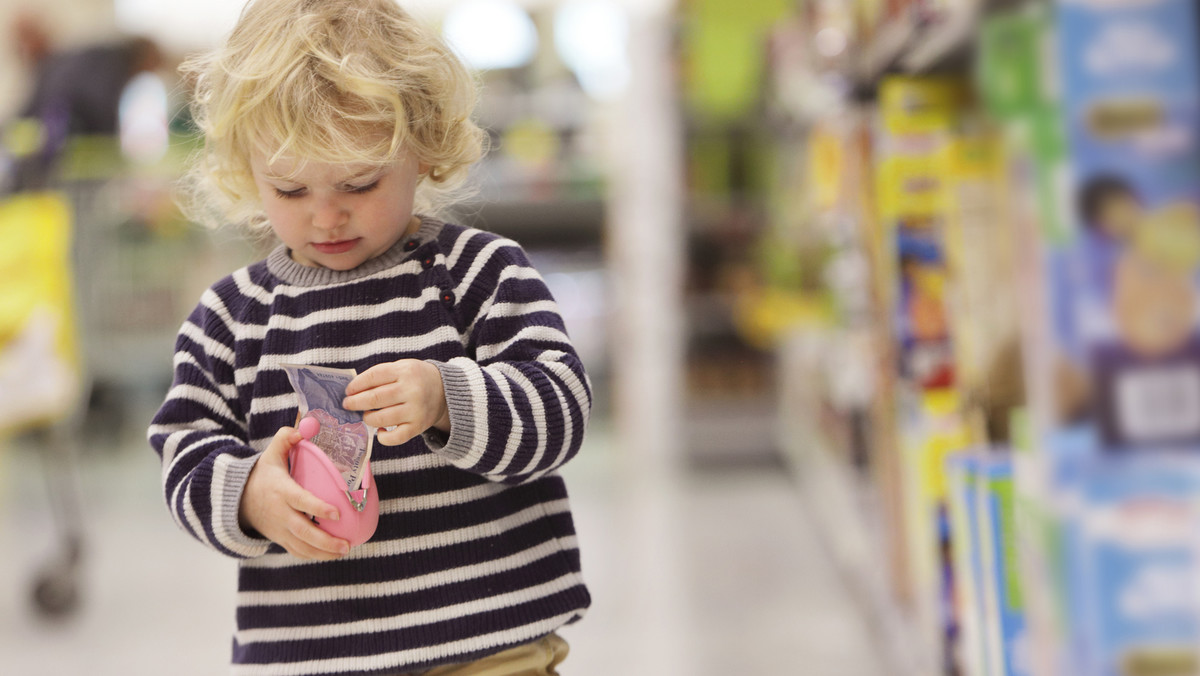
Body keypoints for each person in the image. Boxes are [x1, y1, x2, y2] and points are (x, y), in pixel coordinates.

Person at [147, 1, 591, 674]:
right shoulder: (230, 319)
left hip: (492, 645)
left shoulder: (475, 275)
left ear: (425, 146)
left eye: (360, 182)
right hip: (315, 654)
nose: (326, 215)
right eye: (290, 189)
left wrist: (448, 398)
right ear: (247, 171)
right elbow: (185, 453)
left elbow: (561, 409)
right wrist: (248, 496)